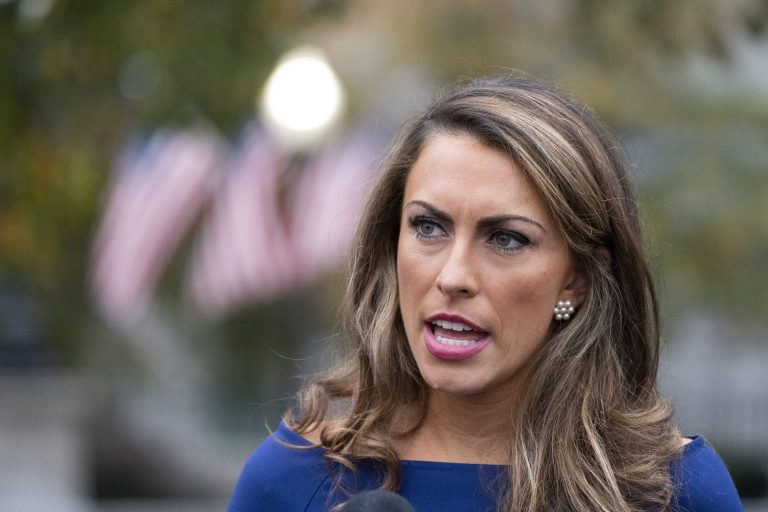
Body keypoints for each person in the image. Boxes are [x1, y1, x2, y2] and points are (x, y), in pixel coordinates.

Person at [228, 75, 743, 511]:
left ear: (577, 279)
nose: (453, 276)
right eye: (428, 227)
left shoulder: (675, 490)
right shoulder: (290, 479)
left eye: (507, 239)